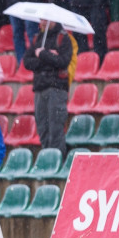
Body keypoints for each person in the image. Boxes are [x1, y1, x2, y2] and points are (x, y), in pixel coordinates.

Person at [22, 20, 73, 156]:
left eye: (45, 20)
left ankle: (57, 161)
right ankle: (47, 159)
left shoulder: (64, 38)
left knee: (56, 129)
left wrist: (42, 54)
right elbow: (27, 62)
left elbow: (63, 62)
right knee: (43, 129)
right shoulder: (37, 38)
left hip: (56, 88)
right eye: (41, 20)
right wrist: (48, 57)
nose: (42, 22)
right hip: (39, 88)